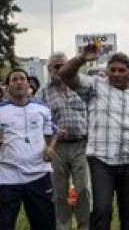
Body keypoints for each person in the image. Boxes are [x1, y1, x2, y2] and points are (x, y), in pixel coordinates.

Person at [58, 48, 129, 230]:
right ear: (106, 71)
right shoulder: (95, 86)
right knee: (102, 210)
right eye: (112, 70)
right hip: (101, 161)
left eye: (121, 70)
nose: (116, 74)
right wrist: (82, 58)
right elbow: (65, 74)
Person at [0, 69, 56, 230]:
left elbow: (52, 133)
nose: (19, 82)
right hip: (8, 175)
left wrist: (50, 148)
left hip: (38, 173)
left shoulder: (42, 108)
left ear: (29, 84)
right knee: (4, 223)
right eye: (14, 80)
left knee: (44, 222)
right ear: (7, 87)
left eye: (22, 79)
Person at [35, 52, 91, 230]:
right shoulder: (42, 92)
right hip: (56, 147)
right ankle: (63, 226)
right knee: (59, 192)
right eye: (56, 66)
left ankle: (85, 226)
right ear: (49, 69)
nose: (60, 70)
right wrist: (52, 132)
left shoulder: (81, 87)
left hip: (81, 145)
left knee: (84, 189)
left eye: (63, 65)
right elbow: (37, 120)